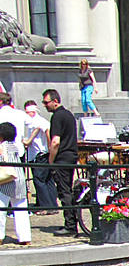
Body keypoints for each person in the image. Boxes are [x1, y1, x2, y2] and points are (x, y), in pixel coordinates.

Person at [43, 88, 79, 237]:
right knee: (67, 189)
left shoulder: (58, 116)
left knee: (64, 191)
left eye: (46, 102)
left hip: (62, 158)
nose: (45, 105)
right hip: (71, 156)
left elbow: (55, 141)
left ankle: (70, 225)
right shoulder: (69, 115)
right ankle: (72, 222)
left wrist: (51, 161)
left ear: (55, 101)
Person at [0, 121, 32, 245]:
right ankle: (25, 237)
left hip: (6, 180)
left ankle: (0, 236)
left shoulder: (2, 147)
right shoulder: (15, 146)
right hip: (19, 178)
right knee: (21, 209)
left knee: (1, 210)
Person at [22, 100, 56, 212]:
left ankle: (45, 206)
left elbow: (46, 131)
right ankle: (50, 204)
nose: (27, 114)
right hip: (39, 154)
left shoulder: (38, 121)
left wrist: (49, 147)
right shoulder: (34, 122)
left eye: (29, 112)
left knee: (39, 180)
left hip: (40, 154)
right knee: (47, 180)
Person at [0, 92, 27, 158]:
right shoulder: (21, 113)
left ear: (0, 101)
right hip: (18, 151)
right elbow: (40, 125)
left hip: (3, 153)